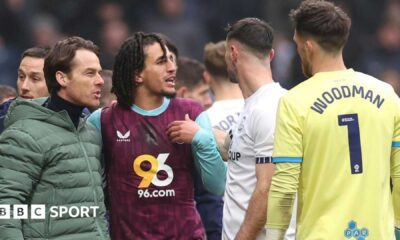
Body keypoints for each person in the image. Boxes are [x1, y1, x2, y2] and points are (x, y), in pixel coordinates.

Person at [265, 1, 400, 239]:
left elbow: (285, 186)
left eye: (297, 45)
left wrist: (275, 236)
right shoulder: (387, 95)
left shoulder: (295, 102)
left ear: (308, 47)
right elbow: (398, 174)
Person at [88, 32, 225, 239]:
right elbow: (88, 190)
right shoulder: (103, 120)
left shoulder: (192, 113)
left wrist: (202, 139)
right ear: (137, 74)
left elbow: (218, 185)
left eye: (171, 60)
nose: (172, 67)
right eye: (161, 61)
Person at [168, 18, 295, 240]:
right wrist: (200, 133)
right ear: (272, 55)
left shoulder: (269, 108)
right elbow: (237, 148)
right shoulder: (254, 105)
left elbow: (269, 188)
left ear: (233, 53)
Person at [0, 36, 109, 239]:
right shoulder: (23, 134)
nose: (100, 81)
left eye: (99, 73)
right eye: (89, 73)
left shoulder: (91, 133)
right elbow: (6, 209)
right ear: (62, 78)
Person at [0, 47, 50, 133]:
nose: (24, 86)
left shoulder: (77, 120)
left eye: (35, 78)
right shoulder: (3, 117)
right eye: (21, 76)